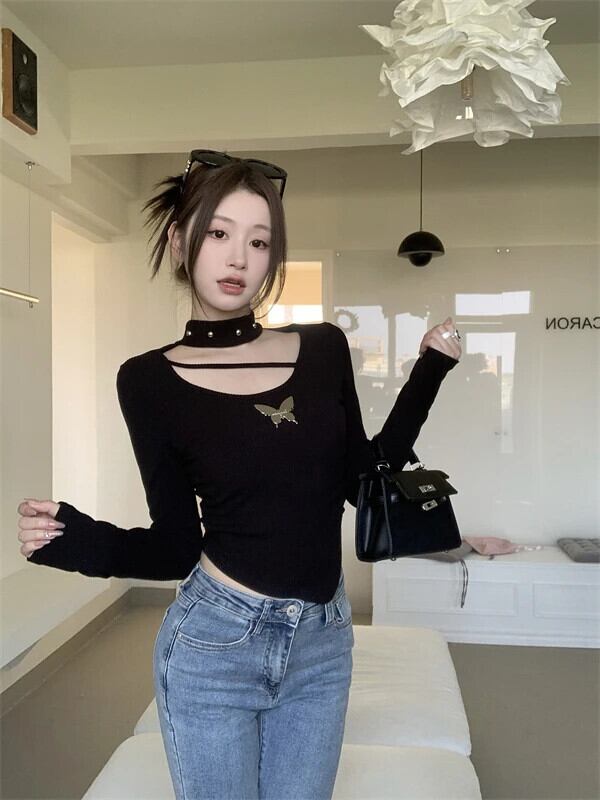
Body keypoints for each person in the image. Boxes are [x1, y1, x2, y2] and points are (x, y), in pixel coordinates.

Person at [17, 149, 462, 800]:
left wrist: (430, 371)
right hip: (215, 645)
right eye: (218, 234)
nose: (238, 259)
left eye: (259, 241)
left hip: (323, 643)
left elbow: (363, 479)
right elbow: (175, 546)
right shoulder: (147, 380)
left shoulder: (323, 348)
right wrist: (76, 540)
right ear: (179, 242)